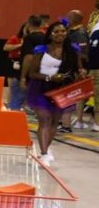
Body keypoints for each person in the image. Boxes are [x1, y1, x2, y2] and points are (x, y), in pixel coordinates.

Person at [25, 22, 86, 165]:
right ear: (50, 34)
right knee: (44, 118)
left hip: (62, 89)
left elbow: (79, 69)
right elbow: (32, 73)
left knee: (54, 121)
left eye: (63, 31)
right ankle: (44, 153)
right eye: (56, 31)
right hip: (41, 88)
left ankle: (46, 148)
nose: (60, 34)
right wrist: (49, 77)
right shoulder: (41, 50)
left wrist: (81, 73)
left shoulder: (72, 50)